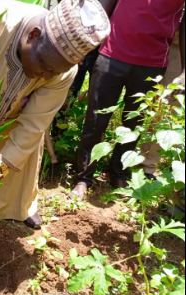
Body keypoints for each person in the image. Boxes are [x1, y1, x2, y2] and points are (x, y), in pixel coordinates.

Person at [0, 0, 110, 229]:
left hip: (16, 114)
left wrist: (1, 168)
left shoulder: (63, 71)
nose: (44, 76)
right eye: (44, 64)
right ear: (33, 35)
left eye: (54, 72)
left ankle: (21, 208)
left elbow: (34, 124)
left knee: (19, 167)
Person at [72, 0, 185, 199]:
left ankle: (118, 172)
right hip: (112, 53)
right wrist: (87, 42)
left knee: (134, 124)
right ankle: (83, 177)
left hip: (152, 62)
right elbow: (105, 4)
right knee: (96, 120)